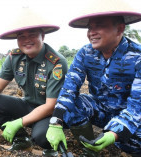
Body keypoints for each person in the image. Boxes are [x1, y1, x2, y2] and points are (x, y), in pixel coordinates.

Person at [46, 0, 141, 156]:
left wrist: (114, 133)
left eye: (100, 25)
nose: (91, 32)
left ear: (120, 29)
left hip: (130, 116)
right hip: (101, 110)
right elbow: (69, 87)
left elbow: (137, 107)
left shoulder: (137, 56)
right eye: (90, 27)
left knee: (134, 140)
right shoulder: (85, 53)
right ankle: (89, 149)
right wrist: (55, 122)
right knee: (74, 104)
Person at [0, 8, 68, 152]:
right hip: (28, 105)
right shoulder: (14, 57)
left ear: (42, 36)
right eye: (21, 36)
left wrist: (18, 122)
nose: (27, 40)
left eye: (32, 34)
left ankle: (50, 150)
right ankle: (21, 139)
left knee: (41, 136)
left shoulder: (56, 62)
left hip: (49, 112)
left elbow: (51, 106)